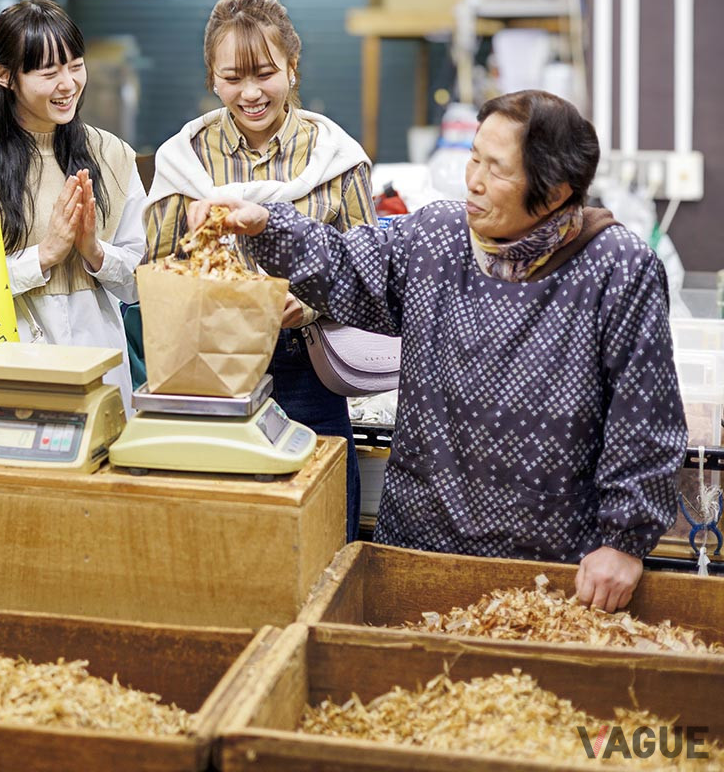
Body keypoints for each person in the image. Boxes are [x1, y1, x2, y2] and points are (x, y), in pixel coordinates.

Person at [187, 89, 686, 613]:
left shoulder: (619, 270)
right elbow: (343, 263)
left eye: (496, 169)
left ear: (557, 190)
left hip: (549, 570)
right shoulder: (438, 237)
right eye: (474, 157)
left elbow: (645, 417)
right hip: (420, 549)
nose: (473, 179)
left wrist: (622, 542)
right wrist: (266, 222)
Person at [144, 0, 374, 540]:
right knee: (223, 538)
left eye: (265, 73)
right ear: (211, 79)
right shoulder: (184, 161)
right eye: (232, 78)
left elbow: (369, 274)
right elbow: (153, 272)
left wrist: (313, 306)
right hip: (206, 371)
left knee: (321, 535)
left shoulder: (337, 159)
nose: (250, 92)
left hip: (307, 370)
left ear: (292, 68)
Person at [0, 0, 145, 412]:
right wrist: (43, 256)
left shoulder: (114, 156)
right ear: (4, 76)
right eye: (49, 72)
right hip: (8, 372)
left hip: (102, 369)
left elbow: (141, 283)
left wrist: (94, 252)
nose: (68, 84)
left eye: (75, 66)